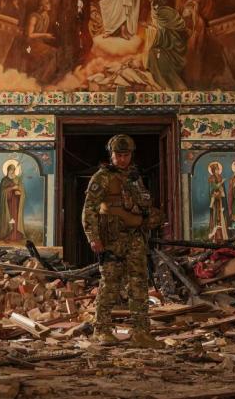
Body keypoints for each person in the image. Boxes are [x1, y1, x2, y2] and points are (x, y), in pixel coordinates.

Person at [82, 134, 162, 347]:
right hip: (112, 241)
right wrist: (93, 238)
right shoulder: (102, 177)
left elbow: (142, 205)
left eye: (126, 155)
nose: (123, 159)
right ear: (111, 155)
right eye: (119, 155)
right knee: (110, 284)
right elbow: (89, 210)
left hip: (135, 239)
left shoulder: (135, 177)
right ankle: (102, 330)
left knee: (138, 284)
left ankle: (141, 333)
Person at [0, 160, 27, 242]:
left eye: (13, 170)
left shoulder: (18, 179)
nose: (12, 172)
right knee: (9, 218)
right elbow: (2, 192)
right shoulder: (4, 180)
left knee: (15, 218)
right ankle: (8, 234)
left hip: (16, 203)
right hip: (7, 204)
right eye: (10, 170)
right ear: (7, 170)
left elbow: (22, 190)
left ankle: (15, 234)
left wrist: (19, 192)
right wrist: (12, 188)